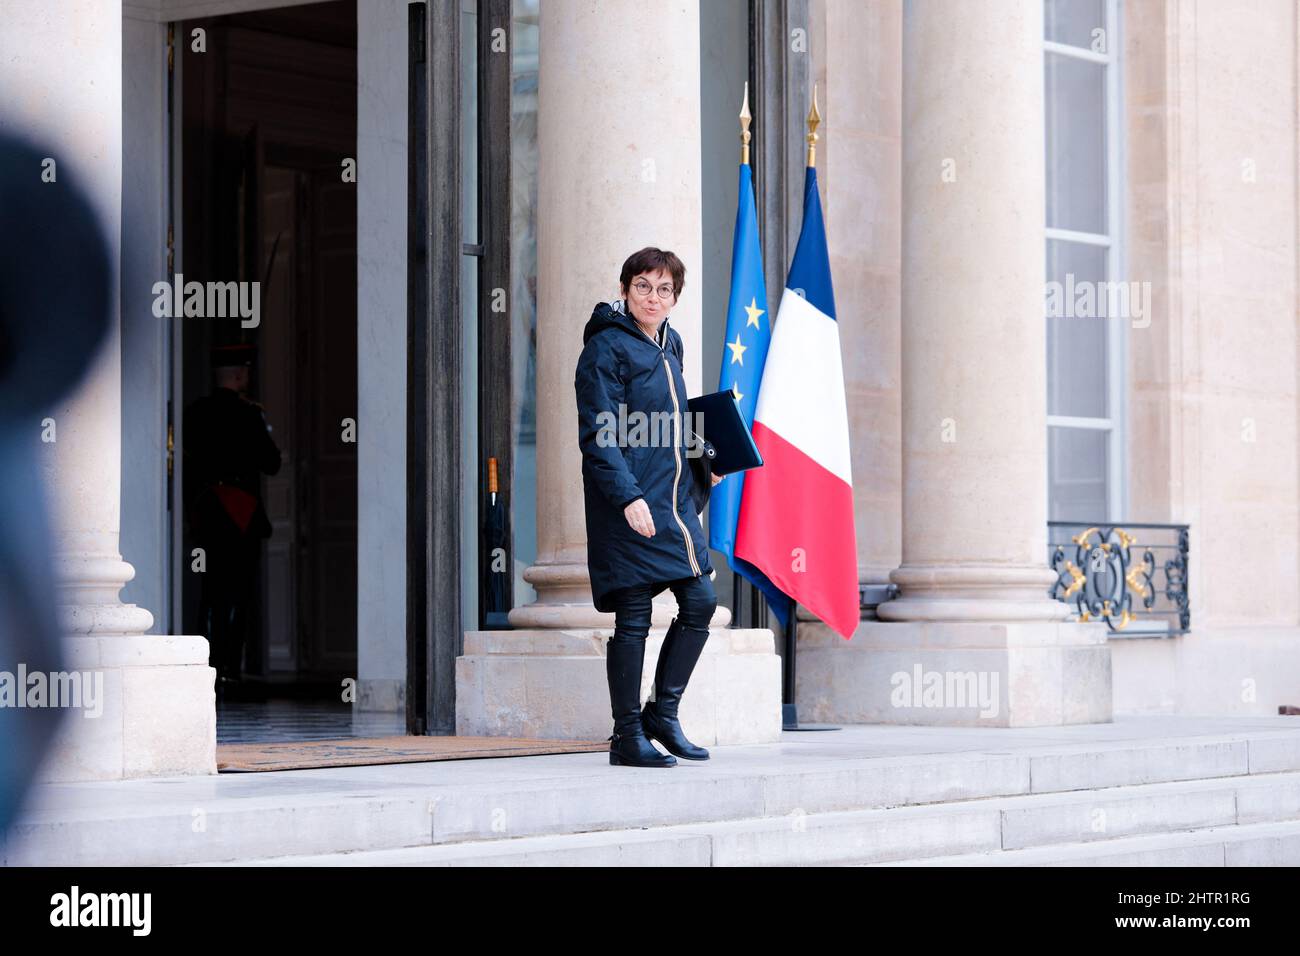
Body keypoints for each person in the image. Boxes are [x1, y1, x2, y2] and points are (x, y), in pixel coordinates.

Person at [575, 247, 725, 768]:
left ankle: (663, 713)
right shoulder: (606, 350)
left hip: (672, 503)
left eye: (664, 289)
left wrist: (707, 460)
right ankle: (626, 736)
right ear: (624, 290)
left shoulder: (671, 343)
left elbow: (675, 425)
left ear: (675, 297)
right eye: (643, 286)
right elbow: (600, 436)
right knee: (634, 615)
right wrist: (628, 497)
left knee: (701, 602)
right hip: (629, 504)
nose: (653, 297)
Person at [183, 345, 281, 691]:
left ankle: (205, 664)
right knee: (238, 594)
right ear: (240, 375)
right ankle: (230, 667)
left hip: (208, 512)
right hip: (240, 514)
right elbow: (273, 463)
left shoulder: (195, 412)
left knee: (209, 591)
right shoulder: (249, 414)